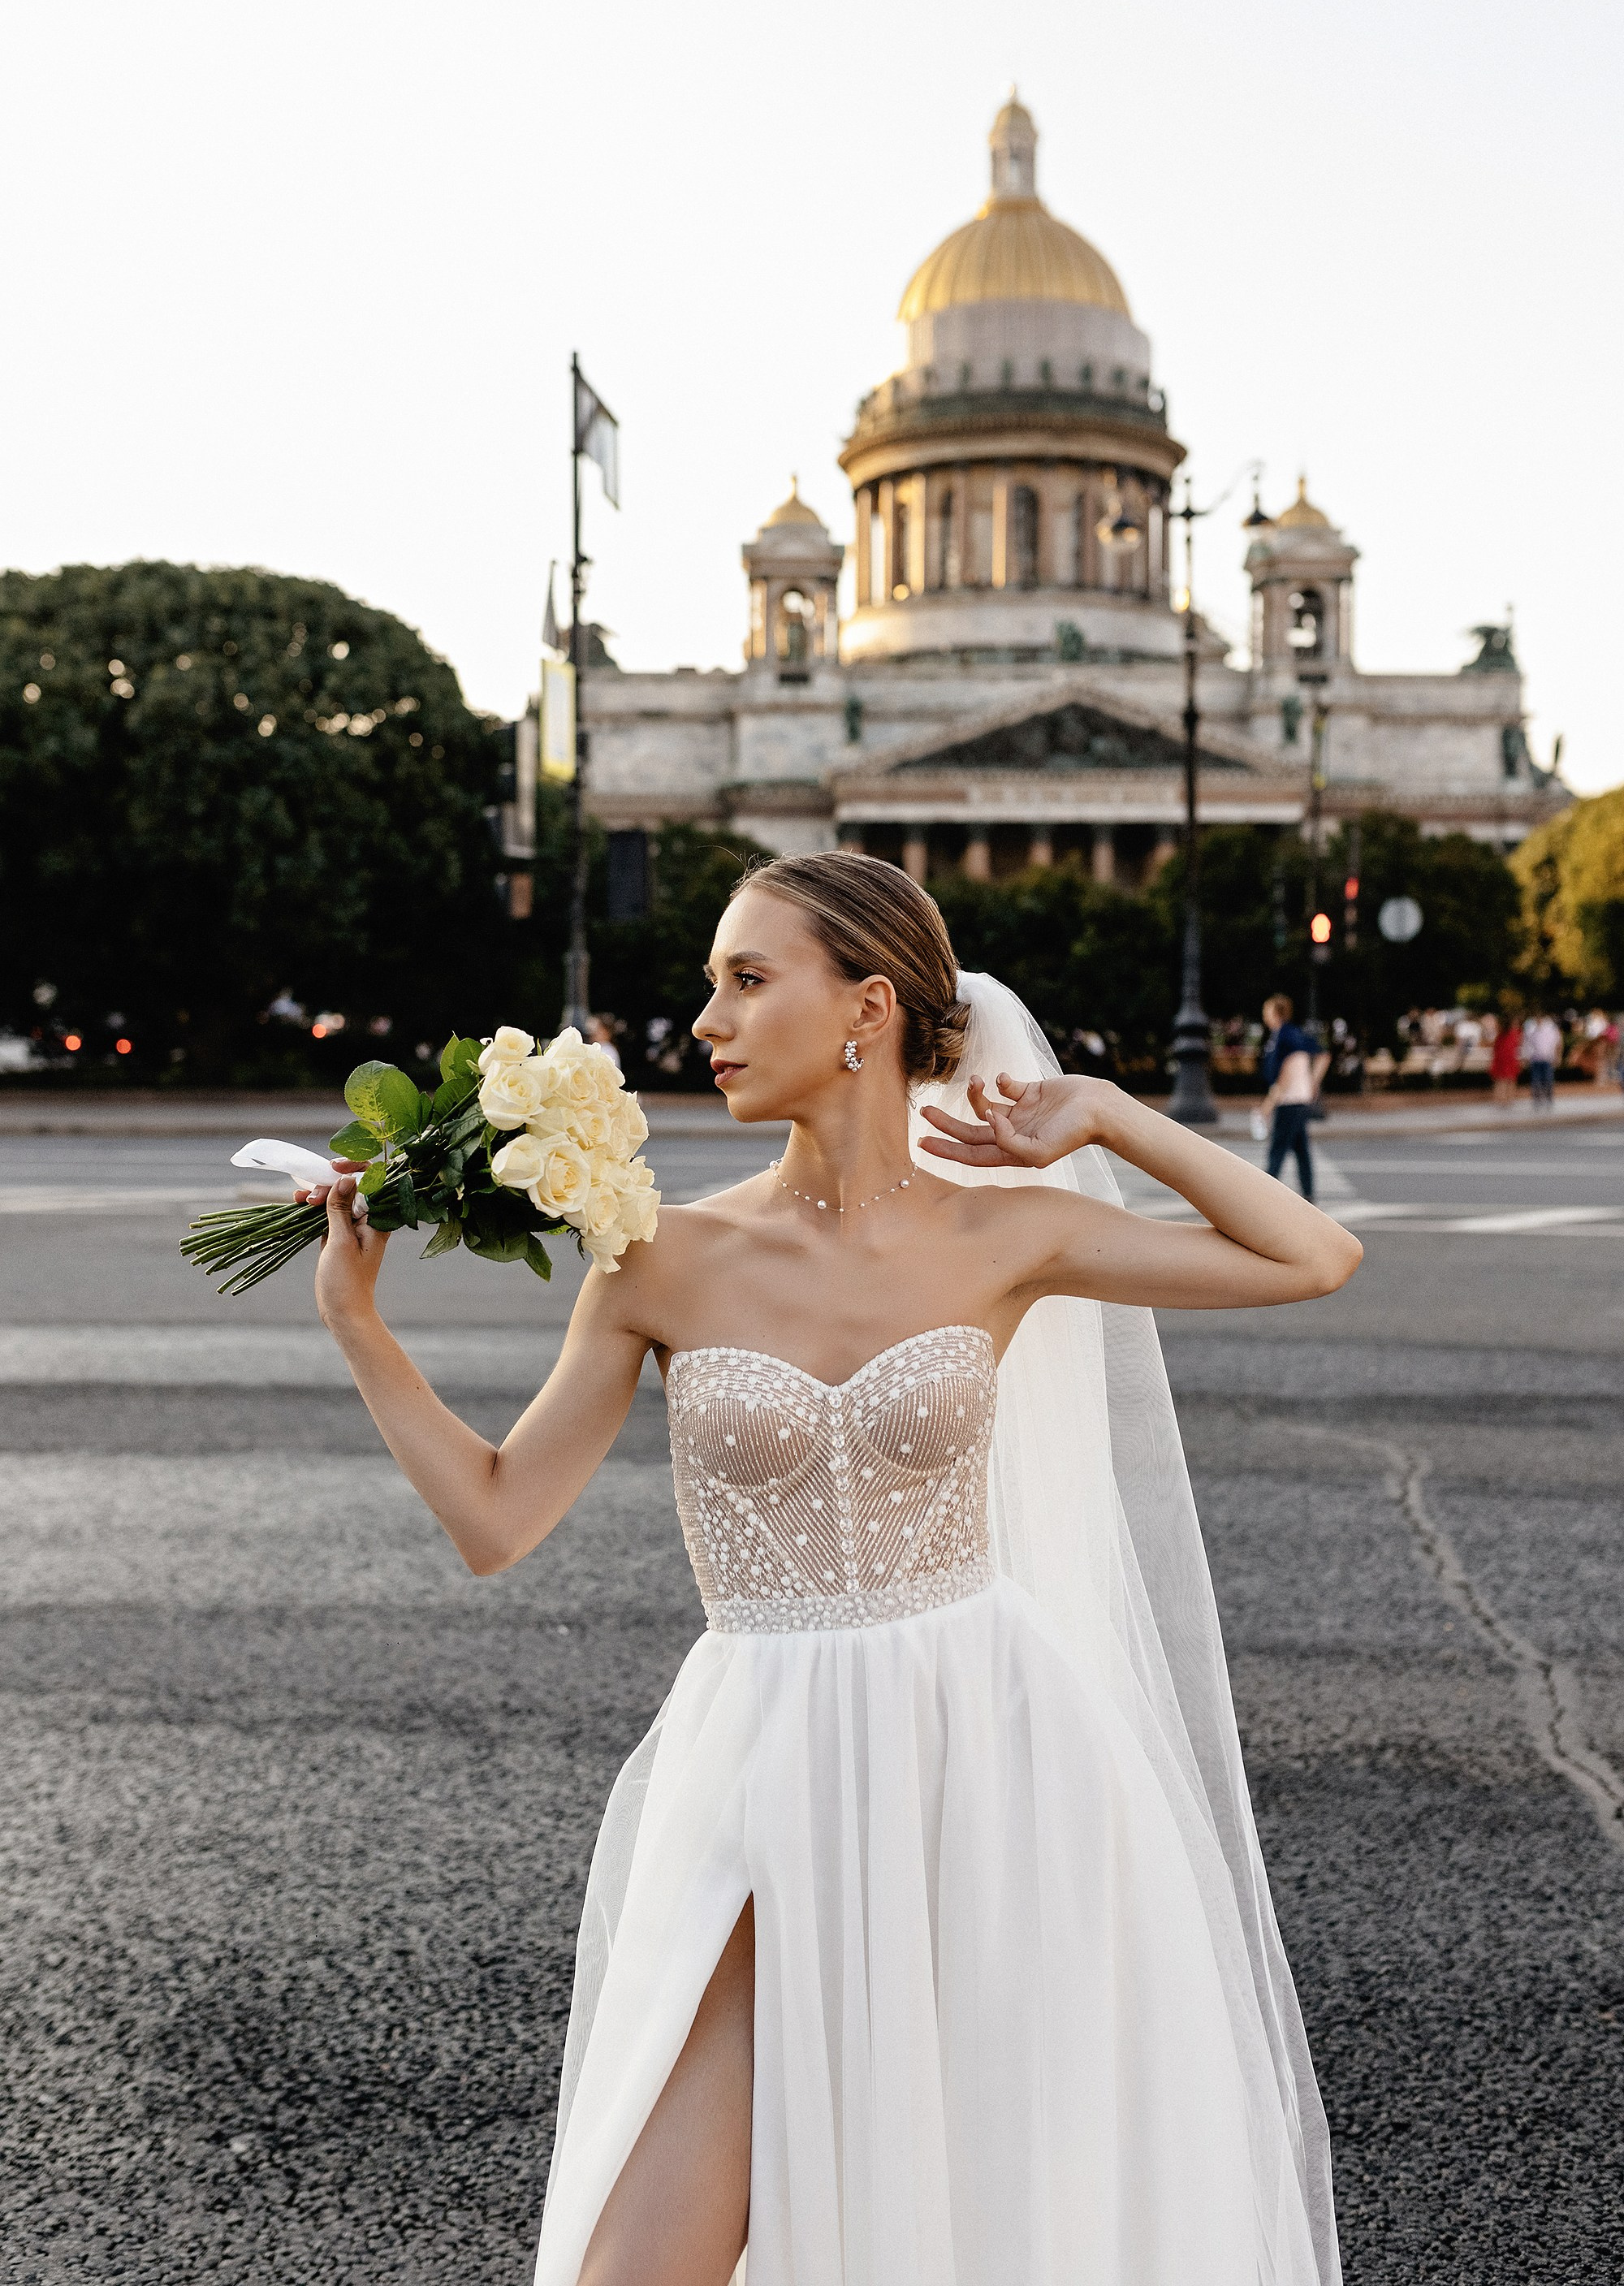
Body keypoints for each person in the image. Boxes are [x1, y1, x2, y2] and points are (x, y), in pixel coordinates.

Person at [301, 855, 1359, 2286]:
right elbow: (498, 1518)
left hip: (994, 1760)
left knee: (988, 2218)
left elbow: (1312, 1255)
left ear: (868, 1007)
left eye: (748, 980)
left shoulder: (1008, 1235)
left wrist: (1109, 1112)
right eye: (712, 984)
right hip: (764, 1761)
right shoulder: (657, 1257)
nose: (707, 1021)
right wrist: (360, 1328)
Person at [1259, 992, 1329, 1202]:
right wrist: (1312, 1084)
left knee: (1278, 1148)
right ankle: (1308, 1194)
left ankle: (1265, 1194)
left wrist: (1270, 1101)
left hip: (1289, 1100)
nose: (1265, 1014)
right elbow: (1323, 1055)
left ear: (1276, 1012)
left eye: (1267, 1009)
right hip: (1299, 1099)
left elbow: (1287, 1069)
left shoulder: (1284, 1036)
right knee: (1300, 1149)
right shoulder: (1292, 1034)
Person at [1522, 1008, 1562, 1108]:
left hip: (1547, 1058)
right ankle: (1537, 1100)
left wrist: (1558, 1056)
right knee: (1536, 1081)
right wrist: (1526, 1056)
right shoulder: (1531, 1029)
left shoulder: (1550, 1028)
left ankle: (1548, 1099)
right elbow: (1527, 1044)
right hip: (1535, 1059)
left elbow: (1558, 1042)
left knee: (1548, 1080)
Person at [1491, 1013, 1522, 1106]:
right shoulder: (1514, 1034)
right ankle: (1508, 1099)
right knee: (1510, 1079)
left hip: (1502, 1059)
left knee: (1501, 1080)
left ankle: (1500, 1100)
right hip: (1509, 1059)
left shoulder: (1500, 1034)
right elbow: (1517, 1046)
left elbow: (1495, 1047)